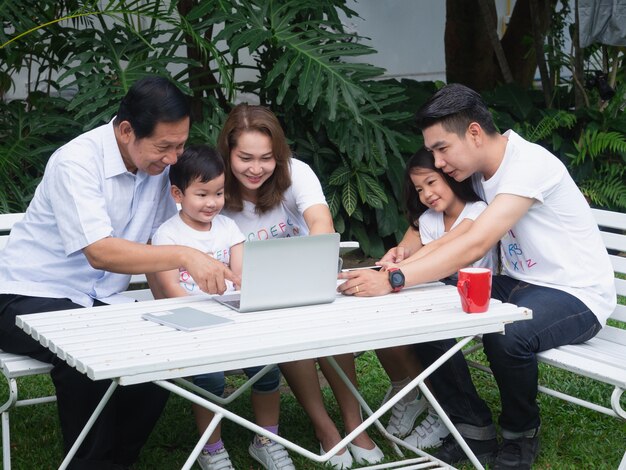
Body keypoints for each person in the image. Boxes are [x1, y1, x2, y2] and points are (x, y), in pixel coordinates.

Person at [338, 83, 616, 469]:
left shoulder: (528, 165)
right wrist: (403, 254)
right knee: (425, 310)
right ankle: (472, 428)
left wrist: (394, 280)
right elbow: (437, 219)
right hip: (520, 285)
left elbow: (475, 242)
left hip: (576, 295)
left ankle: (520, 436)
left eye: (441, 149)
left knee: (508, 334)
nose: (437, 162)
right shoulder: (479, 170)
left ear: (473, 132)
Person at [0, 76, 238, 470]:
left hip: (99, 301)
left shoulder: (162, 167)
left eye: (180, 145)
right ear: (126, 131)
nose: (174, 159)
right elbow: (100, 252)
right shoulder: (76, 161)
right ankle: (90, 464)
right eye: (165, 146)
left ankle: (118, 460)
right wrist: (184, 256)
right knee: (85, 349)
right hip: (24, 293)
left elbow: (171, 231)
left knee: (158, 355)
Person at [218, 103, 384, 469]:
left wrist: (315, 259)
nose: (256, 168)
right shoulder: (216, 189)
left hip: (305, 278)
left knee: (331, 322)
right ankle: (325, 427)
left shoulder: (295, 173)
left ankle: (355, 424)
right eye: (245, 157)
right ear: (227, 151)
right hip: (252, 296)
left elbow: (320, 220)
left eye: (267, 158)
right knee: (289, 327)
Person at [149, 144, 293, 470]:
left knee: (267, 365)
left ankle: (266, 440)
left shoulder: (228, 229)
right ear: (177, 193)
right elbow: (172, 291)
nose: (212, 202)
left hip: (234, 318)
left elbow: (242, 278)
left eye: (218, 193)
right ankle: (211, 448)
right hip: (190, 326)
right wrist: (208, 314)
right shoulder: (168, 235)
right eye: (202, 194)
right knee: (211, 378)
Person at [376, 147, 497, 449]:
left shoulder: (476, 211)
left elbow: (444, 248)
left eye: (432, 182)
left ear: (451, 177)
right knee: (386, 316)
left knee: (427, 328)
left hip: (474, 297)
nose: (427, 193)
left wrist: (398, 271)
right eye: (419, 189)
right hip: (438, 292)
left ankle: (446, 410)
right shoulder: (428, 218)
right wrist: (396, 257)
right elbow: (407, 247)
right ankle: (422, 396)